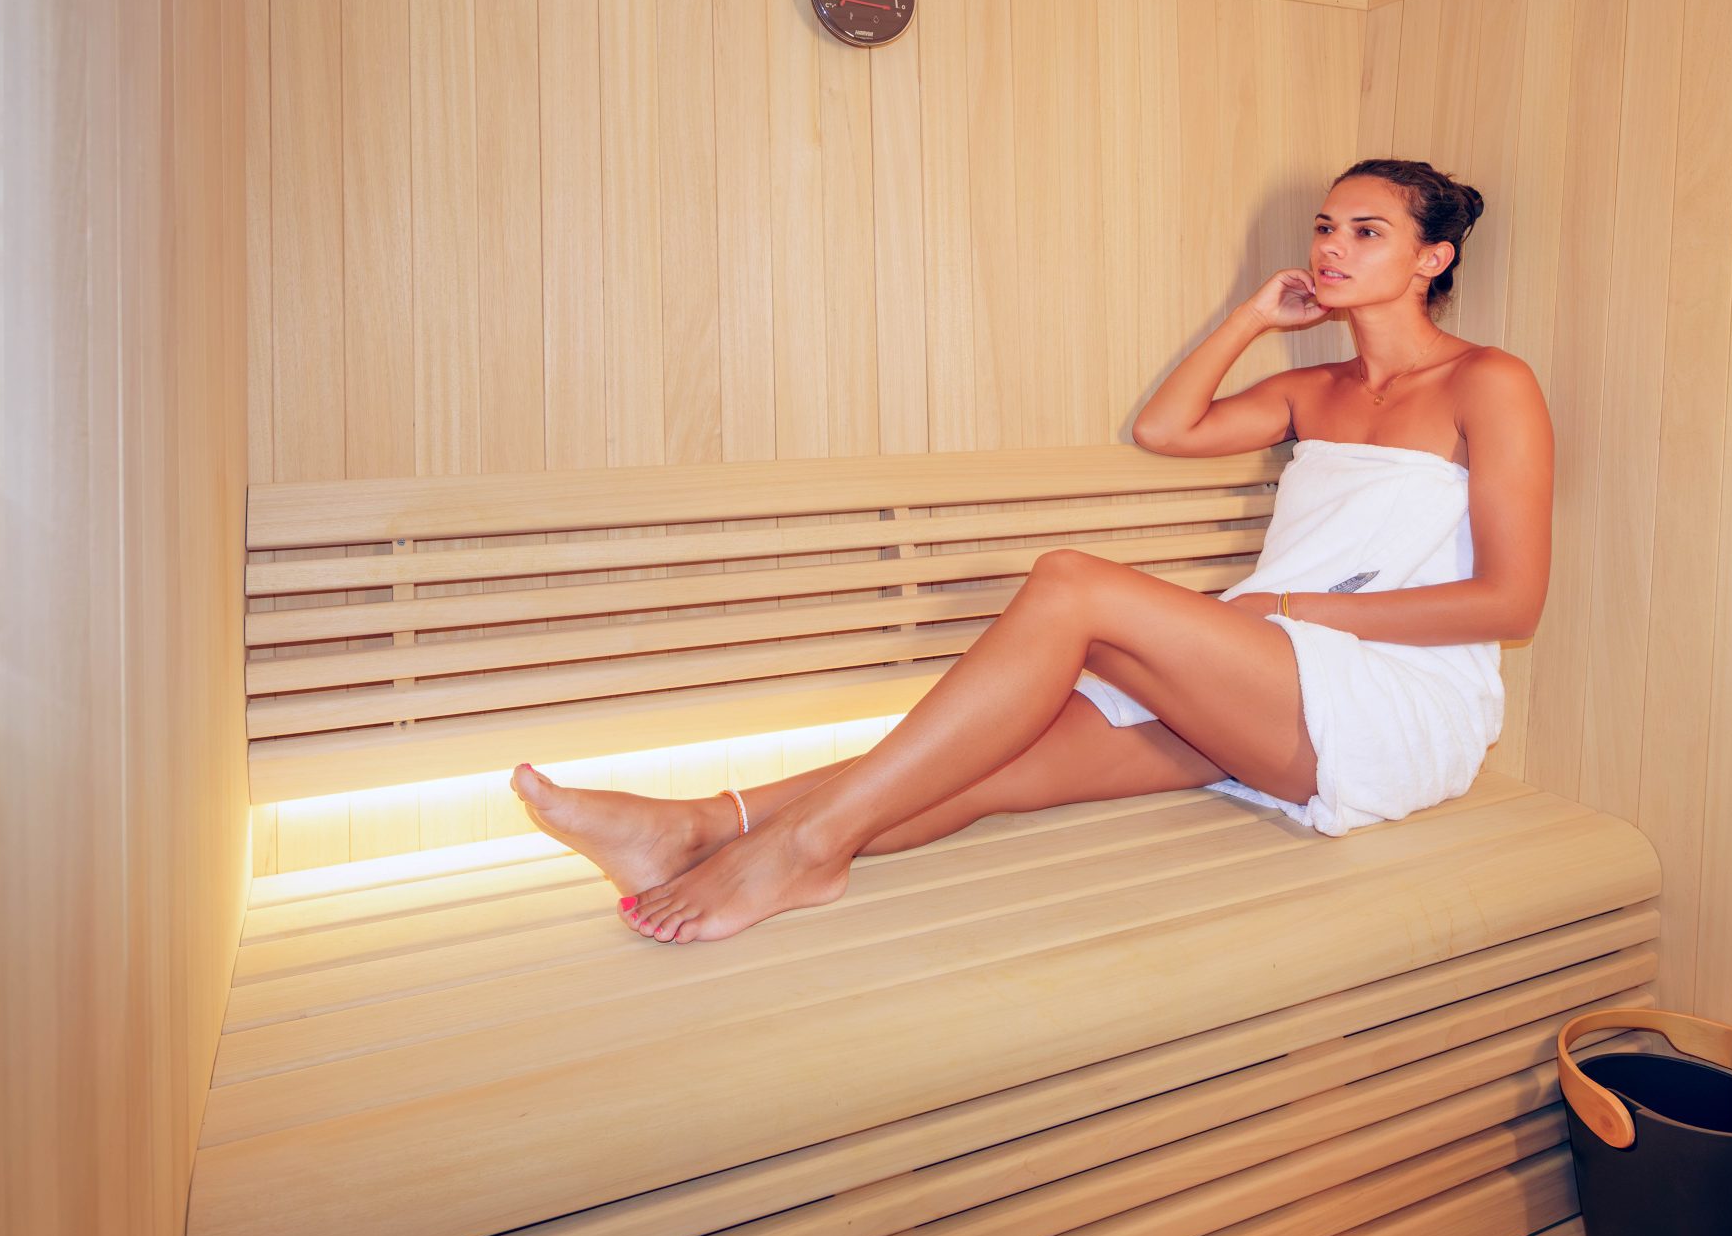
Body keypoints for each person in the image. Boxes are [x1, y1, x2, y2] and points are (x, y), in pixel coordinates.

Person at [512, 157, 1555, 943]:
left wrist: (1283, 611)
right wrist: (1250, 317)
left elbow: (1510, 604)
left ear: (1432, 257)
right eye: (1325, 227)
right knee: (990, 763)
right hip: (1268, 680)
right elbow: (1167, 428)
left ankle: (801, 848)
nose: (1332, 247)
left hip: (1388, 699)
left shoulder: (1488, 382)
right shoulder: (1314, 388)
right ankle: (699, 824)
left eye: (1367, 232)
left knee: (1069, 584)